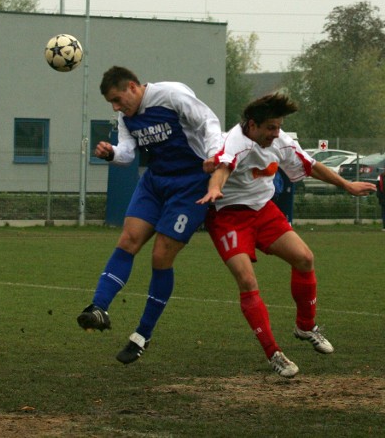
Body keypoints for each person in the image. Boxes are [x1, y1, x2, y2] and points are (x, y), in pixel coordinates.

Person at [197, 93, 376, 378]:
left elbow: (311, 166)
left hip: (263, 211)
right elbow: (223, 167)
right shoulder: (235, 142)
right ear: (252, 125)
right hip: (229, 217)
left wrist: (347, 186)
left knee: (304, 258)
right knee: (247, 280)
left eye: (278, 127)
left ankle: (306, 326)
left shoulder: (280, 141)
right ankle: (274, 354)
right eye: (270, 128)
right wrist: (216, 187)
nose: (275, 134)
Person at [76, 66, 223, 364]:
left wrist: (214, 155)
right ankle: (98, 308)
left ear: (132, 86)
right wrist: (112, 154)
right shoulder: (126, 116)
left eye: (118, 100)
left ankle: (142, 334)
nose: (117, 108)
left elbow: (209, 121)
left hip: (189, 185)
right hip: (155, 182)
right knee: (128, 240)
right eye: (111, 104)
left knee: (160, 257)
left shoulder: (170, 95)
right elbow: (128, 153)